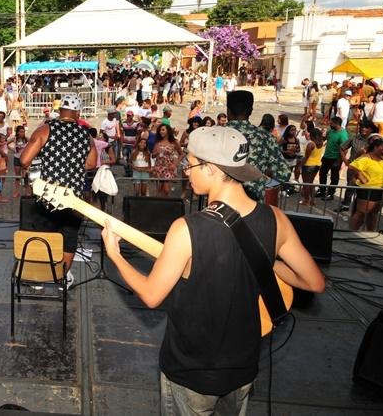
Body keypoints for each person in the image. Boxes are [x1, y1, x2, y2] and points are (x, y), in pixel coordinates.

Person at [101, 126, 325, 415]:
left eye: (191, 163)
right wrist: (268, 260)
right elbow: (314, 282)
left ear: (212, 169)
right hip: (243, 367)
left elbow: (151, 295)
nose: (186, 171)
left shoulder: (187, 228)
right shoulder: (276, 219)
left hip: (191, 372)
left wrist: (115, 255)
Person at [20, 93, 97, 284]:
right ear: (78, 113)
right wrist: (73, 165)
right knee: (69, 240)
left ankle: (39, 279)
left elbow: (24, 160)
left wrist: (47, 161)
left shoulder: (45, 130)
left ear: (60, 110)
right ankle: (61, 278)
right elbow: (91, 164)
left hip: (47, 197)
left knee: (43, 239)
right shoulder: (86, 135)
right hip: (73, 200)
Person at [225, 91, 290, 202]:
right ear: (251, 111)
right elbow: (284, 173)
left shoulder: (215, 135)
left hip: (220, 204)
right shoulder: (265, 137)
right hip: (253, 205)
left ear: (228, 111)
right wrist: (264, 178)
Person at [348, 137, 383, 231]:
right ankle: (351, 232)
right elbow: (352, 167)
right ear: (375, 147)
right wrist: (361, 178)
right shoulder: (366, 158)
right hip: (368, 189)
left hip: (381, 189)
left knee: (373, 213)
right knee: (361, 213)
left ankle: (370, 232)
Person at [318, 116, 348, 201]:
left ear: (336, 124)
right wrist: (321, 135)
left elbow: (345, 149)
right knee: (322, 174)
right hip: (326, 156)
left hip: (336, 158)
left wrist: (339, 160)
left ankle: (330, 193)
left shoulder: (343, 135)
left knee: (334, 177)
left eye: (331, 123)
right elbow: (325, 139)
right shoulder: (331, 131)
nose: (330, 124)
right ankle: (322, 191)